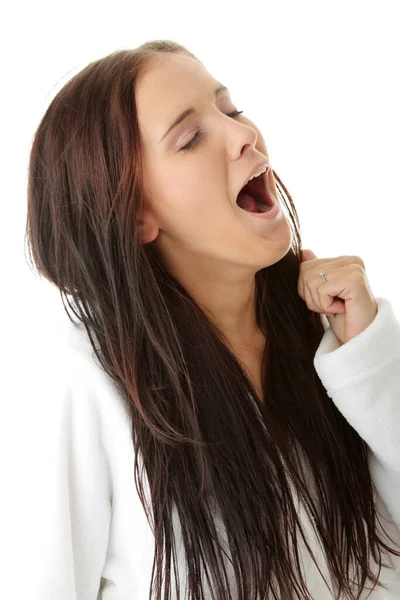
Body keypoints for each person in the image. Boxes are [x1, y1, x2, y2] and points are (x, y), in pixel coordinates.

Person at [23, 40, 400, 599]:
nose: (243, 134)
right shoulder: (83, 375)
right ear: (134, 214)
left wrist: (371, 364)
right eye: (191, 137)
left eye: (231, 110)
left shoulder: (333, 336)